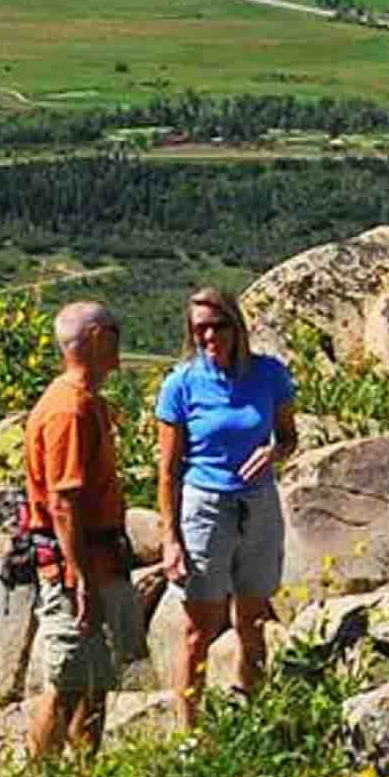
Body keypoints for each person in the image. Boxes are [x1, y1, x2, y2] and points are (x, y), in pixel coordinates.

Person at [153, 284, 297, 730]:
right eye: (200, 330)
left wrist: (274, 453)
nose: (210, 337)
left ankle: (249, 712)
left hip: (258, 503)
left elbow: (289, 437)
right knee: (199, 628)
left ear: (237, 327)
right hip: (206, 506)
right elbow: (167, 470)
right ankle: (188, 731)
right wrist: (170, 539)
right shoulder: (181, 385)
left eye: (218, 326)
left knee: (252, 620)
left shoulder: (270, 375)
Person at [23, 299, 142, 762]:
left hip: (98, 559)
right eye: (114, 331)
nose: (119, 340)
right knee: (69, 681)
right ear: (95, 339)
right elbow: (63, 501)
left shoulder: (85, 403)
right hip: (80, 566)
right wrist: (80, 577)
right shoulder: (67, 412)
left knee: (94, 679)